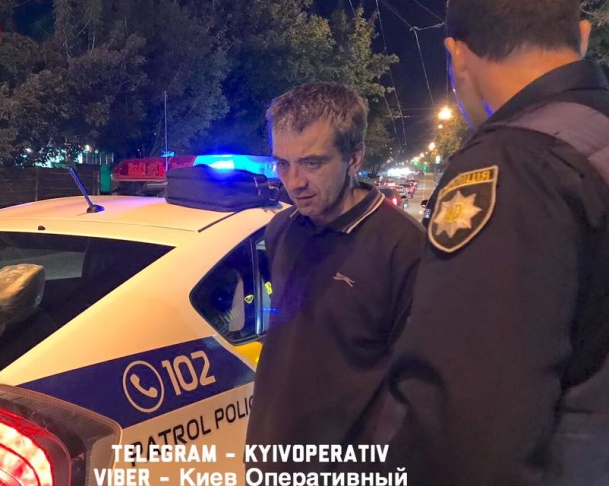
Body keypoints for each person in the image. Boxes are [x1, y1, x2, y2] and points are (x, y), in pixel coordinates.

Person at [363, 1, 609, 485]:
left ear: (457, 56)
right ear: (583, 36)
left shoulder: (512, 168)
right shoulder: (589, 140)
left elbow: (464, 429)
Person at [245, 83, 425, 474]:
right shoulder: (281, 230)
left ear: (354, 158)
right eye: (283, 163)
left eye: (312, 163)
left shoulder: (404, 246)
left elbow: (416, 387)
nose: (294, 182)